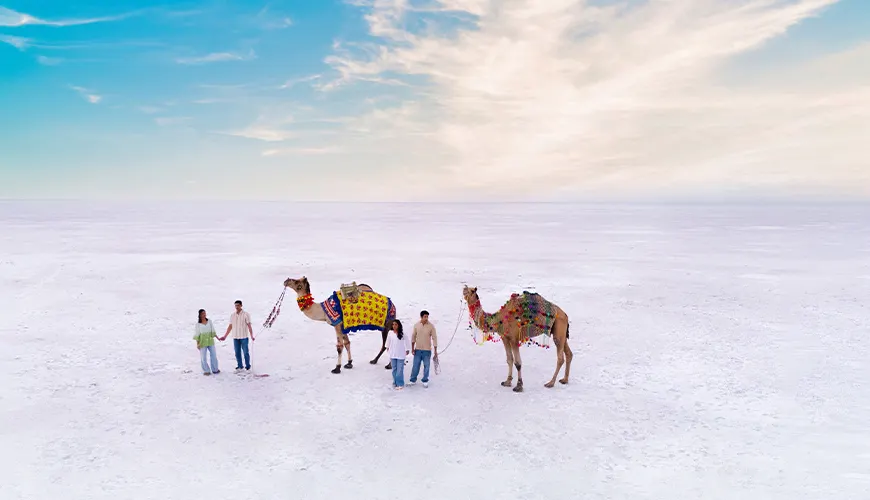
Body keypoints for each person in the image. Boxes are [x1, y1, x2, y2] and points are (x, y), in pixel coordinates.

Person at [220, 300, 255, 371]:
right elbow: (230, 326)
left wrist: (251, 335)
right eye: (235, 305)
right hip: (235, 337)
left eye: (238, 305)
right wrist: (225, 336)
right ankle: (240, 365)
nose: (237, 307)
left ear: (241, 305)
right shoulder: (232, 315)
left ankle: (247, 365)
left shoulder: (246, 314)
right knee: (237, 352)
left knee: (245, 352)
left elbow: (249, 326)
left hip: (244, 337)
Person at [409, 310, 438, 387]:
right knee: (415, 366)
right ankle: (412, 380)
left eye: (427, 316)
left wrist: (435, 350)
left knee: (426, 366)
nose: (426, 318)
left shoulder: (431, 326)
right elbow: (413, 337)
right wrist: (412, 348)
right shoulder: (416, 325)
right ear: (421, 317)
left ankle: (425, 380)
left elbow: (434, 338)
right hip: (418, 349)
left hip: (427, 350)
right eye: (425, 316)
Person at [385, 319, 411, 390]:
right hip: (393, 354)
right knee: (394, 370)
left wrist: (407, 349)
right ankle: (395, 382)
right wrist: (387, 347)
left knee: (400, 370)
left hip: (400, 354)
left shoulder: (402, 334)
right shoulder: (390, 333)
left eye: (396, 324)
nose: (394, 326)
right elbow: (388, 341)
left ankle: (400, 383)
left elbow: (407, 341)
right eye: (393, 324)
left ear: (398, 325)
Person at [194, 309, 221, 375]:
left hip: (210, 340)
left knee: (213, 355)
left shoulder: (209, 321)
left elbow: (213, 330)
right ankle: (206, 371)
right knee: (203, 357)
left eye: (205, 313)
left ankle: (215, 369)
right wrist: (197, 344)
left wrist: (217, 337)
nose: (204, 314)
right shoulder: (198, 324)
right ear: (200, 315)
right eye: (203, 313)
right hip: (202, 342)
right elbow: (197, 334)